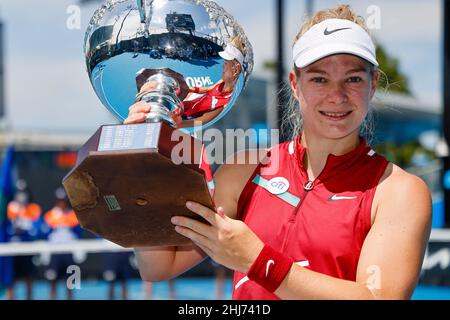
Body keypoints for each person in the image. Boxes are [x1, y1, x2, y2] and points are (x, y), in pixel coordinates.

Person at [127, 5, 431, 300]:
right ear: (295, 85)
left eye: (353, 79)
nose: (337, 96)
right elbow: (158, 266)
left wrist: (258, 262)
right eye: (319, 79)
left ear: (373, 84)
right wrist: (149, 157)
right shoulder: (245, 170)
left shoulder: (399, 192)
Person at [125, 36, 245, 128]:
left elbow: (200, 121)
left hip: (180, 115)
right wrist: (189, 88)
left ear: (235, 70)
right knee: (152, 87)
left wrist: (177, 123)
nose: (222, 67)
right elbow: (208, 88)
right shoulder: (221, 82)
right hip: (184, 104)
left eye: (226, 64)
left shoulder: (224, 104)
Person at [5, 180, 41, 300]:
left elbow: (37, 228)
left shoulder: (34, 208)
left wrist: (25, 230)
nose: (21, 196)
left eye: (23, 192)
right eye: (19, 192)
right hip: (12, 249)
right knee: (11, 279)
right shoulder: (9, 207)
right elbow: (6, 226)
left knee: (28, 277)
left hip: (27, 248)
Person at [42, 187, 80, 300]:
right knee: (52, 281)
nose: (61, 203)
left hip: (69, 254)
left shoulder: (73, 215)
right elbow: (45, 234)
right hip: (55, 254)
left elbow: (78, 233)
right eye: (59, 200)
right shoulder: (49, 216)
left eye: (63, 200)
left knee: (71, 283)